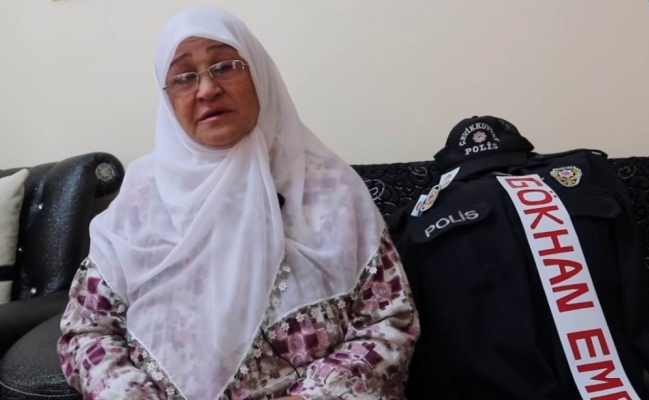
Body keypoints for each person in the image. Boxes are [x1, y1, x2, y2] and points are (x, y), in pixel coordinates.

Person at [57, 7, 419, 400]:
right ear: (167, 98)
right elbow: (86, 329)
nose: (207, 89)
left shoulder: (330, 187)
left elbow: (388, 322)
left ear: (259, 75)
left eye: (225, 66)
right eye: (184, 76)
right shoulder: (141, 199)